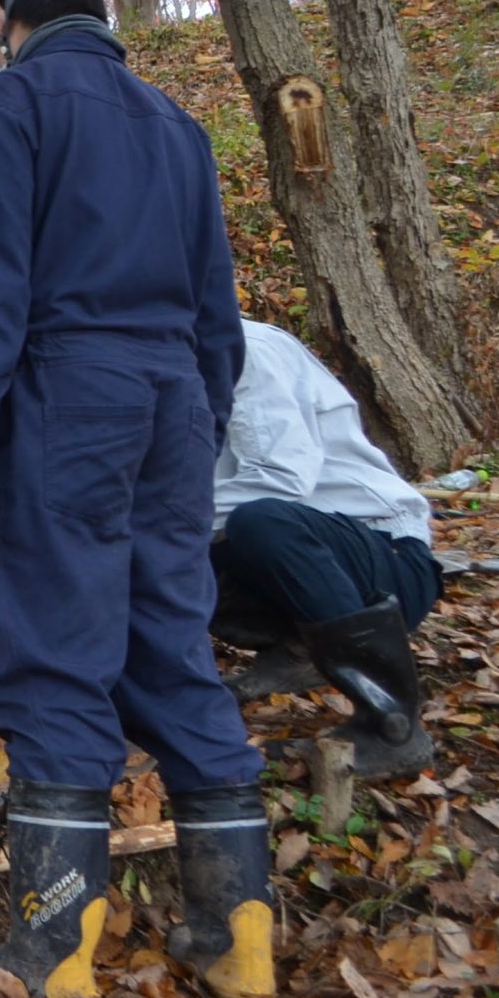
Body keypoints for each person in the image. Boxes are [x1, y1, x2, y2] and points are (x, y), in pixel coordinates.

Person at [0, 0, 268, 998]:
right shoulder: (178, 126)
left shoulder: (7, 105)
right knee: (169, 642)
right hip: (170, 402)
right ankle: (235, 939)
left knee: (52, 646)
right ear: (98, 0)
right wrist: (195, 430)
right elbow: (220, 320)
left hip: (67, 395)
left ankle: (54, 948)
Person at [208, 318, 442, 780]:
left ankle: (391, 725)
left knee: (256, 520)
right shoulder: (140, 363)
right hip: (294, 553)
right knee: (143, 543)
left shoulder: (245, 349)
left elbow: (280, 479)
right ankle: (295, 655)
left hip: (385, 562)